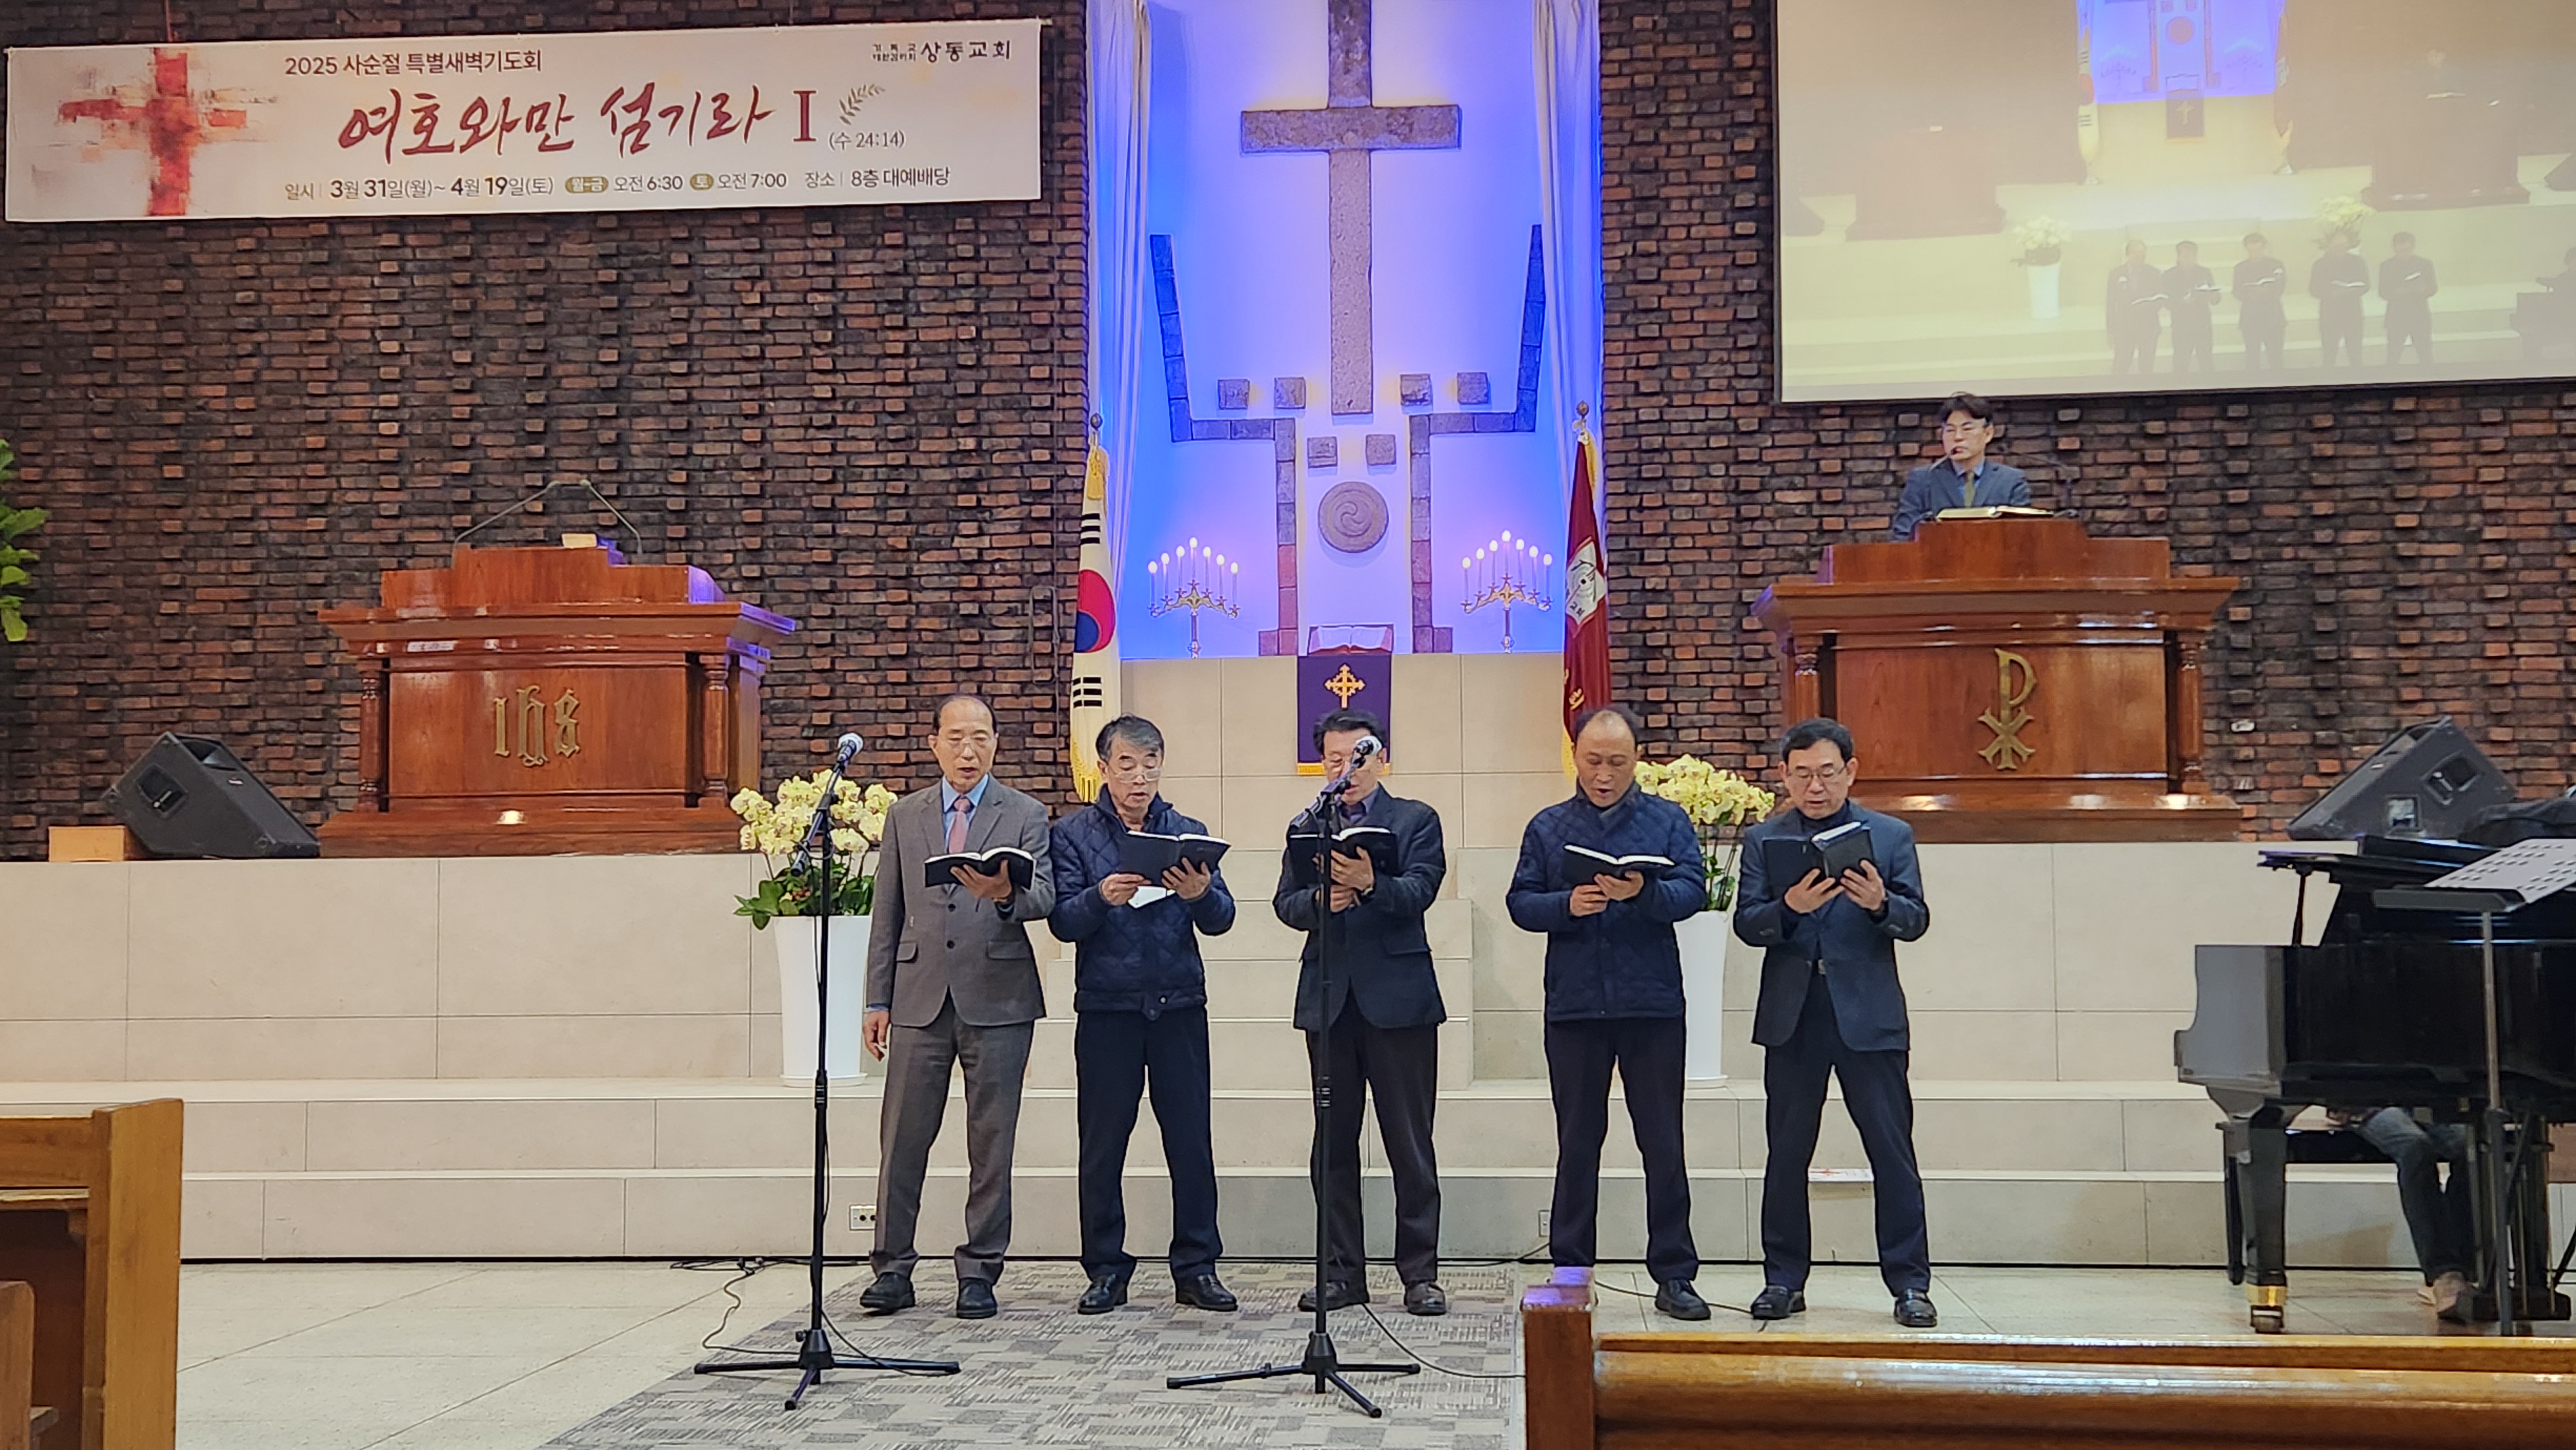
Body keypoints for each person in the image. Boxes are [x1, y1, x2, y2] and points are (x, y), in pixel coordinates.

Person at [1505, 706, 1712, 1321]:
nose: (1603, 775)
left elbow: (1693, 892)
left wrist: (1642, 892)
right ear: (1575, 756)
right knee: (1577, 1140)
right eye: (1593, 761)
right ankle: (1571, 1268)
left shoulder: (1666, 820)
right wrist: (1567, 904)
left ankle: (1675, 1272)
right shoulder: (1549, 826)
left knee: (1662, 1140)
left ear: (1636, 761)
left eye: (1617, 763)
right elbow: (1520, 901)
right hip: (1575, 1006)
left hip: (1651, 1005)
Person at [1733, 717, 1936, 1328]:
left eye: (1826, 773)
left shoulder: (1891, 836)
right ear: (1783, 776)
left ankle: (1910, 1284)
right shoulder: (1764, 839)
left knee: (1891, 1151)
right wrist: (1788, 909)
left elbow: (1916, 919)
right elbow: (1747, 924)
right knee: (1786, 1153)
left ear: (1850, 771)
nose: (1815, 787)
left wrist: (1879, 904)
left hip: (1867, 1014)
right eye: (1802, 775)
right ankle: (1783, 1280)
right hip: (1794, 1015)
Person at [858, 693, 1057, 1321]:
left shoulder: (1025, 812)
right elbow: (887, 911)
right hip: (918, 995)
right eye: (956, 738)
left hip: (999, 995)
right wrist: (877, 997)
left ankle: (979, 1271)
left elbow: (1045, 897)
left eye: (980, 738)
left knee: (991, 1142)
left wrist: (1004, 893)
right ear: (935, 744)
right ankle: (892, 1267)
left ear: (995, 743)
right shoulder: (906, 814)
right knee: (902, 1138)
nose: (968, 751)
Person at [1047, 715, 1240, 1316]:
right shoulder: (1072, 835)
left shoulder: (1188, 833)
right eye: (1127, 765)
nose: (1139, 777)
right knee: (1103, 1144)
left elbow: (1222, 918)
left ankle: (1197, 1266)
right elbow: (1061, 921)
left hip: (1178, 1005)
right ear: (1103, 768)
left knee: (1191, 1141)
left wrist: (1199, 894)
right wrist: (1099, 897)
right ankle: (1106, 1269)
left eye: (1150, 765)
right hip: (1108, 1008)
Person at [1273, 707, 1451, 1316]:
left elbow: (1422, 891)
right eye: (1333, 759)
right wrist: (1322, 899)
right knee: (1332, 1143)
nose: (1344, 769)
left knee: (1409, 1142)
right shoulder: (1307, 825)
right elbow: (1286, 903)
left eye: (1357, 758)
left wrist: (1371, 883)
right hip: (1330, 1001)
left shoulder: (1415, 819)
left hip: (1400, 1002)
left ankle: (1420, 1274)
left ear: (1380, 759)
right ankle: (1341, 1272)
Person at [2338, 1107, 2473, 1321]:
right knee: (2415, 1146)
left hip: (2433, 1102)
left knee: (2471, 1146)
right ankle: (2444, 1272)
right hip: (2370, 1104)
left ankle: (2469, 1268)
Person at [1889, 392, 2031, 542]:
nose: (1958, 437)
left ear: (1988, 434)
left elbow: (2024, 538)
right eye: (1950, 430)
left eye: (1967, 429)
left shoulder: (2011, 481)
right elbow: (1902, 538)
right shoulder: (1923, 479)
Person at [2107, 239, 2167, 375]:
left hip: (2148, 327)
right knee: (2121, 366)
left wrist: (2149, 305)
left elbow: (2160, 299)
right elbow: (2111, 304)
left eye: (2143, 254)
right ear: (2128, 255)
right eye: (2136, 254)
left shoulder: (2154, 273)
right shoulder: (2116, 274)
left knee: (2147, 367)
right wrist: (2110, 331)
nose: (2140, 257)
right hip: (2125, 327)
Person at [2311, 229, 2369, 367]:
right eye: (2337, 245)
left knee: (2355, 354)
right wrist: (2329, 292)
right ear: (2329, 245)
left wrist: (2347, 292)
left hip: (2352, 312)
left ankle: (2358, 379)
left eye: (2344, 245)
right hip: (2330, 313)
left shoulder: (2357, 262)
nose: (2341, 248)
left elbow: (2365, 285)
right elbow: (2313, 289)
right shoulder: (2320, 264)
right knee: (2329, 355)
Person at [2381, 232, 2438, 365]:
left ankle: (2429, 377)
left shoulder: (2425, 264)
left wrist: (2423, 289)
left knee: (2425, 354)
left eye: (2407, 250)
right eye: (2400, 251)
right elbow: (2383, 292)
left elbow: (2433, 288)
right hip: (2396, 316)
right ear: (2394, 248)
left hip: (2419, 315)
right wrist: (2398, 292)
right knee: (2393, 355)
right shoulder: (2387, 266)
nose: (2404, 254)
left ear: (2413, 247)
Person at [2233, 233, 2288, 372]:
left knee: (2276, 357)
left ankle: (2279, 383)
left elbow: (2281, 287)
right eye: (2252, 250)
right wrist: (2250, 294)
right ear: (2246, 249)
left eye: (2258, 250)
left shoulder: (2275, 265)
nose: (2256, 253)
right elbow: (2237, 291)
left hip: (2273, 316)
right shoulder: (2241, 268)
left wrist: (2267, 291)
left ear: (2264, 248)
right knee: (2252, 357)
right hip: (2251, 317)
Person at [2164, 240, 2221, 373]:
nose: (2189, 260)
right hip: (2181, 325)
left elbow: (2216, 299)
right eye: (2185, 256)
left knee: (2206, 361)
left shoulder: (2204, 272)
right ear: (2178, 257)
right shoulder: (2169, 275)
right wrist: (2182, 302)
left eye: (2192, 256)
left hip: (2202, 324)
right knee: (2181, 362)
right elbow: (2166, 302)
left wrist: (2212, 295)